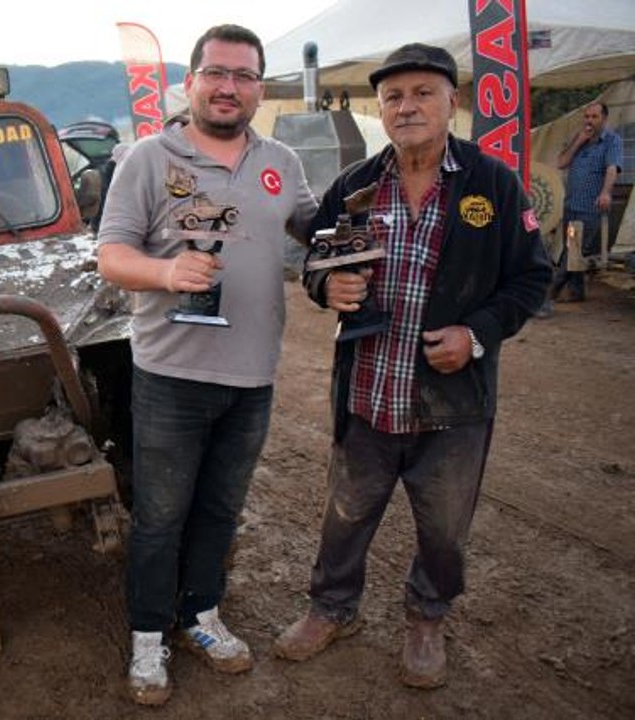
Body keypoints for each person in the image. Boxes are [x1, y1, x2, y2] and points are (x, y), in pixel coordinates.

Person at [273, 43, 551, 689]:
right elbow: (316, 264)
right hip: (368, 393)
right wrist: (325, 288)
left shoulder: (492, 184)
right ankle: (331, 608)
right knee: (344, 514)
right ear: (381, 109)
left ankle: (426, 616)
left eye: (423, 92)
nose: (407, 107)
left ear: (452, 101)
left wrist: (475, 334)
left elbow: (531, 277)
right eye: (394, 96)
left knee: (444, 527)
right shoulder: (353, 186)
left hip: (453, 403)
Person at [97, 24, 317, 706]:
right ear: (189, 81)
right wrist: (164, 271)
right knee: (161, 515)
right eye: (215, 73)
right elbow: (110, 255)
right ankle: (146, 638)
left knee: (220, 510)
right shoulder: (146, 158)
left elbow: (315, 224)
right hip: (171, 376)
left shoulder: (279, 159)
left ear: (258, 87)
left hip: (253, 377)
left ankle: (200, 615)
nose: (228, 87)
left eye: (243, 75)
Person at [546, 101, 623, 306]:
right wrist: (579, 140)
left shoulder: (611, 141)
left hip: (590, 208)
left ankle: (549, 293)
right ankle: (577, 292)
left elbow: (612, 168)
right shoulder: (579, 140)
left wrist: (606, 192)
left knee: (573, 251)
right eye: (587, 116)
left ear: (604, 119)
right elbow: (562, 163)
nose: (589, 121)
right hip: (571, 206)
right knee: (572, 249)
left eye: (594, 117)